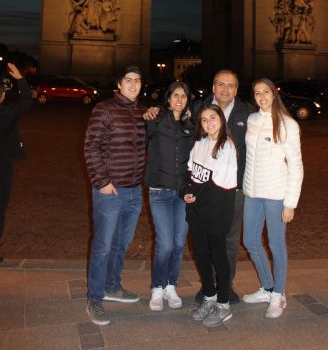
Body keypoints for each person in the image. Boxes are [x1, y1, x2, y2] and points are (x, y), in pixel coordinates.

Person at [84, 65, 146, 326]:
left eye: (138, 80)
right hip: (111, 191)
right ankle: (95, 298)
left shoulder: (141, 112)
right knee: (103, 246)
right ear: (119, 84)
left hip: (134, 190)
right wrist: (102, 182)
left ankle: (112, 286)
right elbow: (91, 147)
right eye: (128, 80)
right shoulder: (104, 109)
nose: (133, 84)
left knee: (121, 243)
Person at [242, 78, 303, 318]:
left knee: (276, 245)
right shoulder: (252, 119)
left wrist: (290, 202)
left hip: (276, 194)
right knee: (250, 241)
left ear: (274, 93)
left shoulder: (287, 124)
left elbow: (296, 166)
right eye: (257, 93)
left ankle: (279, 294)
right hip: (252, 193)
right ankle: (267, 287)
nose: (261, 97)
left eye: (265, 92)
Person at [193, 69, 254, 303]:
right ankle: (208, 284)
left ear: (237, 90)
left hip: (234, 189)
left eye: (231, 86)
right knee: (206, 239)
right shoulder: (197, 109)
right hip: (204, 187)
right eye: (221, 84)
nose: (225, 90)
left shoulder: (249, 113)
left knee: (229, 239)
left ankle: (225, 285)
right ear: (213, 87)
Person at [183, 104, 237, 327]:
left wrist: (192, 194)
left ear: (221, 119)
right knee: (201, 255)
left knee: (218, 256)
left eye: (212, 117)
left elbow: (216, 183)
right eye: (204, 120)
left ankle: (223, 304)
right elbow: (191, 172)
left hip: (216, 211)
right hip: (196, 211)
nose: (208, 123)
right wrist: (185, 192)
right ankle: (209, 296)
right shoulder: (200, 144)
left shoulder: (226, 146)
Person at [145, 81, 194, 311]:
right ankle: (157, 287)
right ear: (168, 98)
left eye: (183, 96)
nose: (179, 99)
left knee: (178, 243)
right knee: (164, 243)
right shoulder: (154, 120)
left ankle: (170, 286)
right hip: (160, 191)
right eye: (175, 95)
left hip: (182, 193)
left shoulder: (191, 125)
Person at [0, 63, 32, 263]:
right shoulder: (8, 112)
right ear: (2, 96)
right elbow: (27, 100)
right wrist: (20, 78)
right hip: (4, 167)